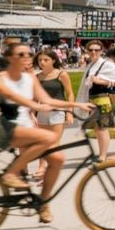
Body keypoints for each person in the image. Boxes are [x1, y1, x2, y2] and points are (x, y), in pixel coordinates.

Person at [0, 40, 93, 222]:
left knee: (58, 159)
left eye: (29, 54)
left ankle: (42, 203)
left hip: (24, 128)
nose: (27, 57)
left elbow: (48, 100)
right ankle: (11, 173)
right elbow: (12, 96)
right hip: (2, 128)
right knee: (48, 137)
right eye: (21, 54)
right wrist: (36, 106)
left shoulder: (30, 79)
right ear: (9, 58)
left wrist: (76, 105)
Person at [33, 47, 75, 179]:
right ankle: (41, 167)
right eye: (40, 60)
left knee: (54, 143)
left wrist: (70, 112)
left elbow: (70, 93)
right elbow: (35, 98)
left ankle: (50, 169)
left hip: (58, 112)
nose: (42, 62)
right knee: (42, 142)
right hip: (42, 113)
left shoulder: (61, 74)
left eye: (46, 60)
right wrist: (32, 114)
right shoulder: (37, 77)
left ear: (53, 60)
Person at [79, 42, 115, 162]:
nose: (93, 52)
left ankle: (103, 156)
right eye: (91, 50)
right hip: (92, 99)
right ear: (87, 51)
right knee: (97, 129)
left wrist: (100, 81)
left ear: (101, 51)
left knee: (102, 128)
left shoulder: (106, 64)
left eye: (97, 50)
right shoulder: (91, 64)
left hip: (102, 99)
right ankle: (101, 154)